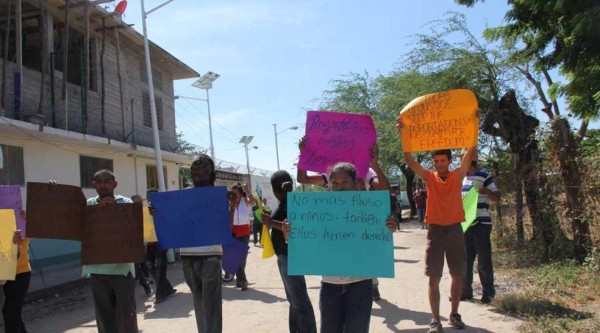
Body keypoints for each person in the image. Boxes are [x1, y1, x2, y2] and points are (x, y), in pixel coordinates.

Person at [289, 162, 396, 333]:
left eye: (344, 182)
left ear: (355, 183)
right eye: (335, 182)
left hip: (360, 285)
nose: (339, 187)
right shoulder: (319, 211)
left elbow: (381, 231)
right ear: (329, 184)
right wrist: (291, 236)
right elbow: (307, 242)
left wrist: (389, 226)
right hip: (330, 286)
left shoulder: (369, 209)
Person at [398, 114, 478, 333]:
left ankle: (454, 314)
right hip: (435, 231)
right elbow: (409, 159)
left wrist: (474, 123)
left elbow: (469, 151)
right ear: (433, 162)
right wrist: (403, 132)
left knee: (457, 275)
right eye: (436, 161)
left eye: (443, 160)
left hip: (455, 229)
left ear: (449, 161)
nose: (440, 164)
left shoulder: (458, 174)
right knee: (433, 276)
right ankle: (435, 320)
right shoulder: (429, 177)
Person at [262, 170, 317, 333]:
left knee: (299, 301)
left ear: (276, 189)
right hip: (284, 255)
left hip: (290, 255)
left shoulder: (293, 203)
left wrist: (271, 222)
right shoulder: (288, 202)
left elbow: (295, 228)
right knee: (294, 300)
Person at [84, 169, 138, 333]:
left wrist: (115, 209)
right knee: (105, 319)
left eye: (107, 181)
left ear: (114, 184)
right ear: (93, 185)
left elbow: (133, 231)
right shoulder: (88, 205)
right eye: (99, 182)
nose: (103, 185)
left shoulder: (126, 203)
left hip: (122, 271)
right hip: (97, 271)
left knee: (126, 317)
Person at [179, 154, 225, 332]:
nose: (197, 170)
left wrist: (232, 205)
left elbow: (224, 226)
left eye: (202, 166)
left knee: (211, 304)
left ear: (210, 171)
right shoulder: (182, 196)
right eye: (194, 167)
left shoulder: (218, 195)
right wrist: (159, 213)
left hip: (211, 256)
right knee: (199, 301)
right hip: (187, 256)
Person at [461, 152, 500, 304]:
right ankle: (465, 292)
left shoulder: (484, 176)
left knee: (484, 260)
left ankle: (488, 294)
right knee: (465, 260)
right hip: (465, 225)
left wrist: (486, 191)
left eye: (463, 159)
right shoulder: (461, 178)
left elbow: (497, 197)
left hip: (481, 224)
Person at [2, 225, 30, 333]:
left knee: (11, 314)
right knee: (11, 313)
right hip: (3, 272)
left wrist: (25, 221)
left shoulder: (21, 215)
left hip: (20, 272)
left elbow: (34, 232)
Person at [228, 183, 254, 291]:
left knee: (242, 257)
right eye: (232, 194)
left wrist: (247, 190)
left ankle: (240, 279)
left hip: (244, 231)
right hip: (233, 231)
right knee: (237, 256)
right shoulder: (229, 204)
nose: (234, 196)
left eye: (236, 194)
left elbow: (253, 201)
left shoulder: (245, 202)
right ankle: (243, 280)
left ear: (240, 194)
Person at [130, 194, 154, 297]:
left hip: (140, 242)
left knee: (142, 263)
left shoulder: (144, 212)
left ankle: (146, 281)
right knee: (136, 266)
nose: (141, 204)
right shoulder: (130, 214)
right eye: (139, 202)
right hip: (131, 244)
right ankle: (145, 284)